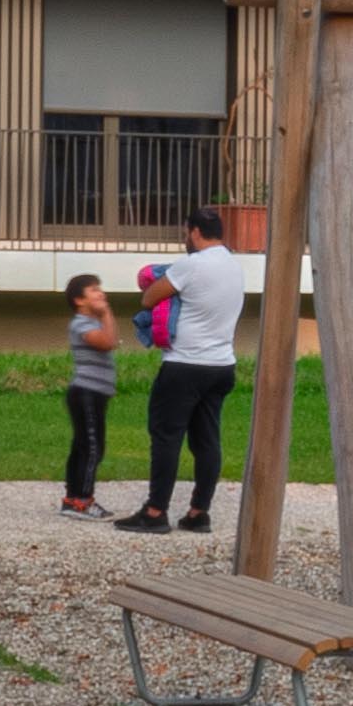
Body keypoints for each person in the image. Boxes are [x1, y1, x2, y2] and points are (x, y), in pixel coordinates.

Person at [115, 206, 243, 534]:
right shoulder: (234, 264)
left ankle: (156, 511)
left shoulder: (191, 264)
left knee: (166, 437)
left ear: (195, 232)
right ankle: (199, 512)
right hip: (222, 364)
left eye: (187, 232)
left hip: (185, 365)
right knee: (207, 440)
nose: (187, 238)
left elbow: (149, 297)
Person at [59, 270, 119, 513]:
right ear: (79, 300)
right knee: (93, 447)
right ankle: (82, 501)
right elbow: (107, 342)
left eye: (100, 288)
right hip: (87, 392)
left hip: (94, 394)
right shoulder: (82, 323)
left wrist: (103, 315)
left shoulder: (91, 322)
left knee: (83, 445)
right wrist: (106, 312)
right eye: (94, 290)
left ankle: (73, 498)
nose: (101, 293)